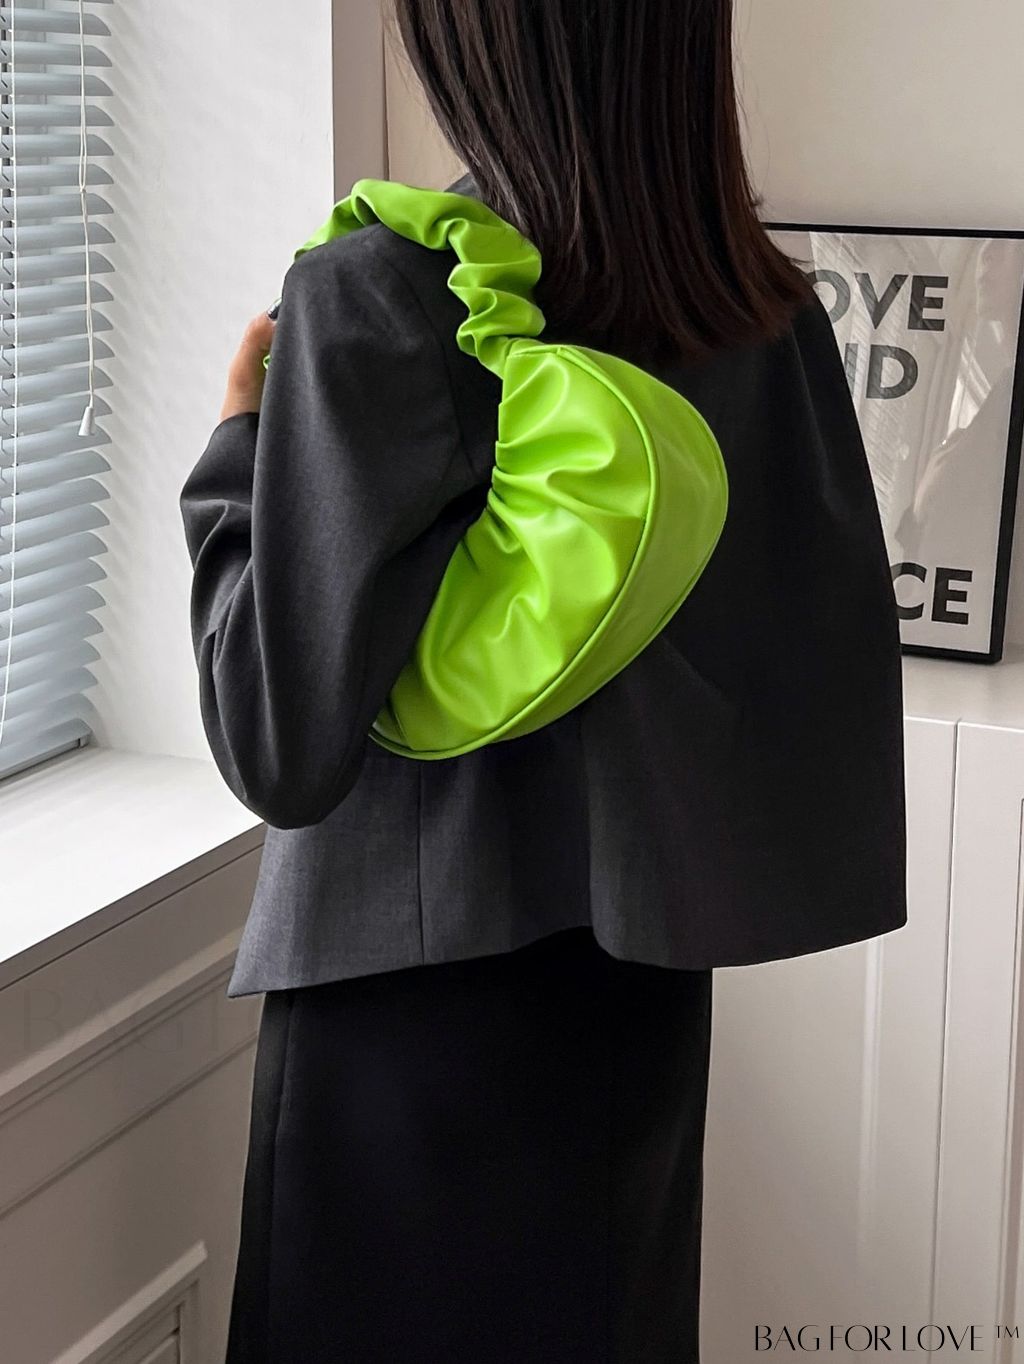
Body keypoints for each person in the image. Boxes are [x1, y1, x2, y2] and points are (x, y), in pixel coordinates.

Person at [178, 2, 908, 1360]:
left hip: (404, 1028)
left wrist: (237, 449)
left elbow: (276, 740)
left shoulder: (384, 292)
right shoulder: (754, 304)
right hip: (636, 1005)